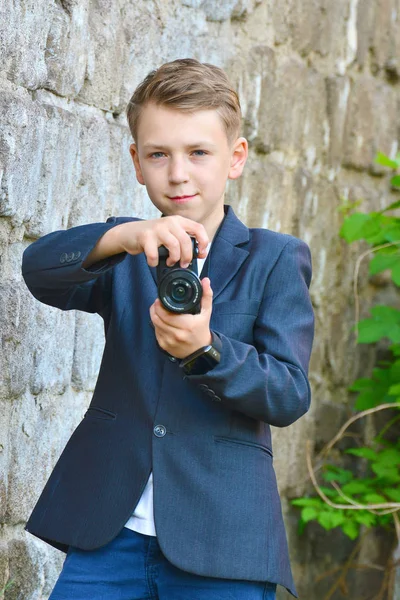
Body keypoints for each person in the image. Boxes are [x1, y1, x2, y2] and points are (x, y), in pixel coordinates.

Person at [22, 58, 315, 600]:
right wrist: (125, 236)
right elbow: (39, 271)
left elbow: (290, 393)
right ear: (136, 161)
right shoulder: (128, 251)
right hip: (108, 533)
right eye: (159, 154)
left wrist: (207, 352)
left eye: (199, 152)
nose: (178, 173)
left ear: (236, 157)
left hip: (223, 541)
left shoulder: (275, 258)